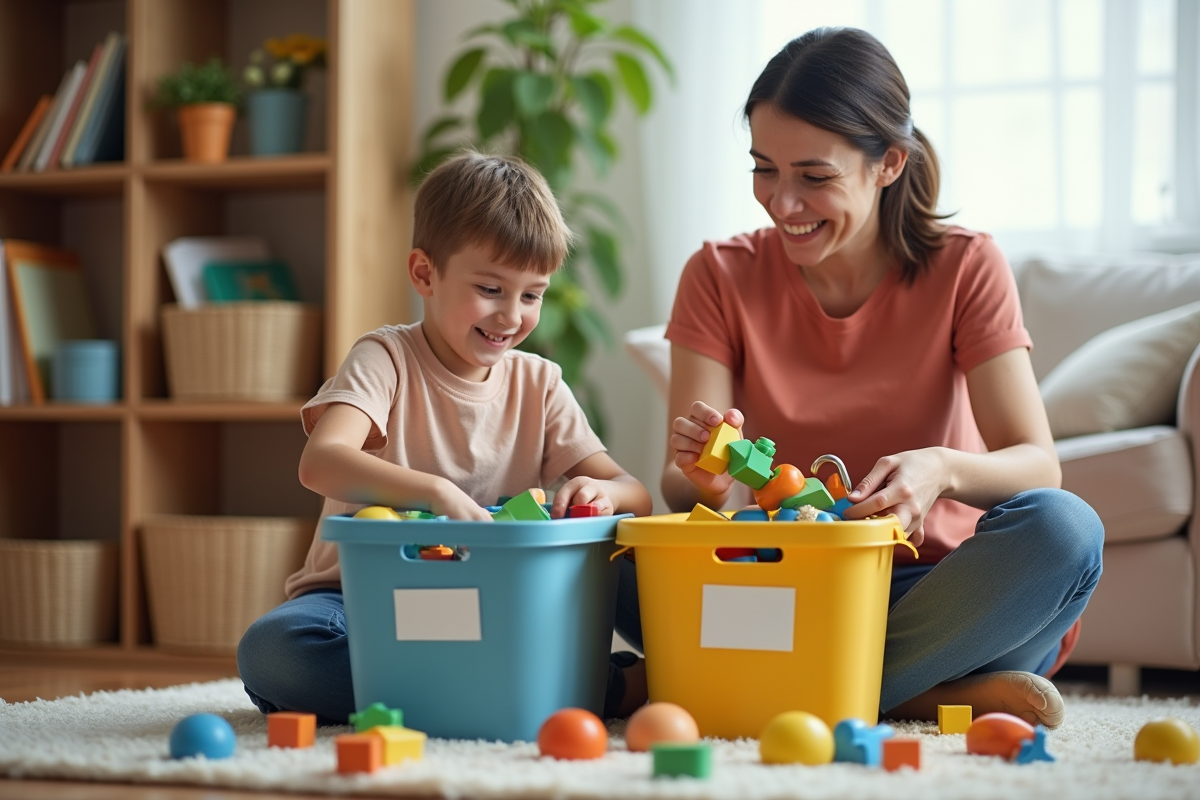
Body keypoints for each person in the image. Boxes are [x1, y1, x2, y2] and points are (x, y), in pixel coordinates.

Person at [659, 28, 1103, 728]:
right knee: (620, 564)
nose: (782, 203)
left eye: (814, 176)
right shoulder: (716, 275)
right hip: (792, 583)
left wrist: (943, 471)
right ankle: (917, 693)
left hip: (945, 594)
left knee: (1065, 532)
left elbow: (1037, 464)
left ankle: (784, 686)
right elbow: (684, 486)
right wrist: (713, 482)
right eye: (763, 169)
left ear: (889, 163)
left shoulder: (966, 266)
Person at [237, 151, 653, 725]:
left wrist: (597, 491)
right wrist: (432, 493)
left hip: (504, 605)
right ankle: (585, 686)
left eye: (532, 294)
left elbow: (634, 493)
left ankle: (467, 684)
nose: (511, 315)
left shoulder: (538, 381)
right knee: (276, 654)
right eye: (490, 288)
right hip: (365, 602)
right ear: (425, 273)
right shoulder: (385, 358)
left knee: (643, 563)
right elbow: (322, 462)